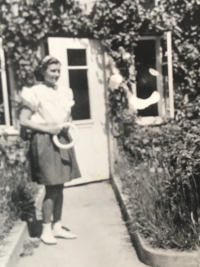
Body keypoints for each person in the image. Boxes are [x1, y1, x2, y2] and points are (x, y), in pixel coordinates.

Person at [20, 55, 81, 245]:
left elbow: (66, 116)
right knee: (51, 187)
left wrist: (65, 126)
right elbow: (23, 120)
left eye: (58, 71)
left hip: (61, 138)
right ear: (43, 71)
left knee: (60, 185)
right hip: (45, 141)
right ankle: (46, 229)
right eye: (53, 71)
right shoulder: (35, 92)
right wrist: (48, 128)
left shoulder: (64, 91)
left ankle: (57, 226)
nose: (56, 74)